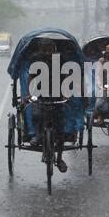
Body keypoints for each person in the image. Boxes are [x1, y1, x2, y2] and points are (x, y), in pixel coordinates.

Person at [28, 38, 68, 173]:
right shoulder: (36, 59)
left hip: (58, 94)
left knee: (61, 128)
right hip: (41, 94)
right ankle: (38, 135)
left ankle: (60, 158)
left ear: (53, 49)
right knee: (36, 113)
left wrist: (67, 92)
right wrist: (28, 93)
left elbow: (67, 76)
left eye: (49, 49)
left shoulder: (60, 59)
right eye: (44, 49)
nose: (46, 52)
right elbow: (31, 77)